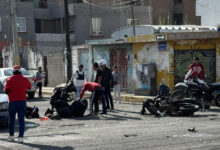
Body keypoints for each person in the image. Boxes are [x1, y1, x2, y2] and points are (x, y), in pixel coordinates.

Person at [4, 65, 31, 143]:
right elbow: (29, 87)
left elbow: (6, 90)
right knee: (21, 120)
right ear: (20, 71)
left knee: (12, 120)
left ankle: (11, 136)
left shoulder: (9, 79)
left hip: (12, 102)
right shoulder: (25, 79)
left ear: (13, 71)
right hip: (22, 102)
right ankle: (20, 137)